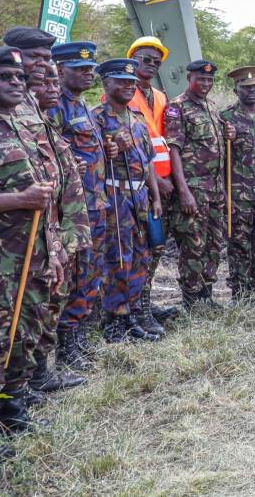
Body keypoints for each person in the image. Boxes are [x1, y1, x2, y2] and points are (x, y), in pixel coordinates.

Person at [0, 46, 64, 445]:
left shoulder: (22, 126)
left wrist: (56, 247)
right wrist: (19, 200)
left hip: (34, 255)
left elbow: (47, 197)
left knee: (25, 335)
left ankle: (14, 412)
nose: (15, 84)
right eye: (3, 77)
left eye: (19, 78)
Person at [42, 42, 108, 366]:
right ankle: (65, 346)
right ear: (59, 70)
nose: (87, 73)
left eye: (90, 68)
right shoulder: (55, 109)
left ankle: (78, 336)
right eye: (79, 68)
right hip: (70, 211)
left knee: (92, 273)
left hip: (95, 204)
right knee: (74, 275)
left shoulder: (84, 107)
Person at [93, 59, 165, 341]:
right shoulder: (96, 117)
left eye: (131, 82)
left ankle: (132, 315)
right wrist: (110, 152)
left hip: (140, 195)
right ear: (106, 83)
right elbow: (87, 163)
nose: (127, 86)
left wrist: (155, 197)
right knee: (117, 259)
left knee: (139, 256)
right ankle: (114, 322)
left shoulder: (136, 119)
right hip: (114, 195)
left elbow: (148, 164)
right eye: (121, 81)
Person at [165, 60, 234, 310]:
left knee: (214, 244)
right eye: (200, 79)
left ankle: (206, 294)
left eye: (209, 80)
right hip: (193, 189)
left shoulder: (212, 107)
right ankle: (191, 300)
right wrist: (183, 191)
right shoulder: (177, 107)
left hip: (214, 189)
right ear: (189, 79)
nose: (205, 84)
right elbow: (174, 149)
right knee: (192, 245)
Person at [126, 37, 179, 324]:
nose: (151, 65)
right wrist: (156, 181)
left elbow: (163, 141)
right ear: (132, 59)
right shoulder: (122, 92)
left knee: (155, 247)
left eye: (156, 62)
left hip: (163, 186)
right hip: (139, 185)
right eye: (145, 59)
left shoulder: (159, 96)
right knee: (139, 250)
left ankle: (145, 304)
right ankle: (134, 310)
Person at [220, 66, 255, 300]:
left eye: (254, 87)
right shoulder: (226, 118)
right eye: (246, 88)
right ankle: (241, 294)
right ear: (236, 90)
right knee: (240, 246)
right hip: (239, 194)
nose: (251, 92)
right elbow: (219, 159)